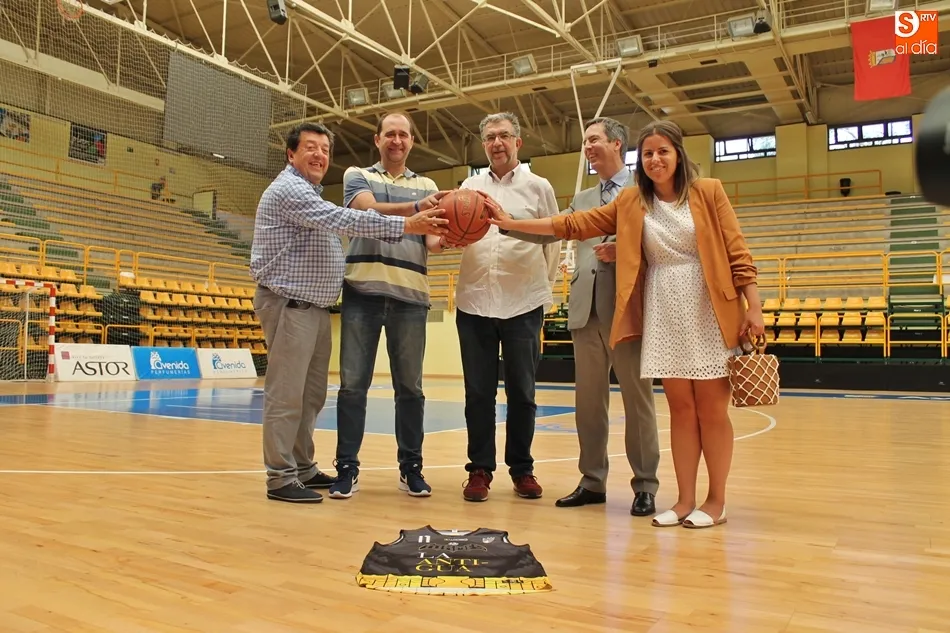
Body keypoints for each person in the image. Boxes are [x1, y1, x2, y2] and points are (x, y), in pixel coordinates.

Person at [483, 120, 766, 528]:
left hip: (708, 309)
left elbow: (738, 253)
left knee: (712, 412)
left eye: (663, 151)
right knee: (682, 412)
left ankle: (715, 501)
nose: (655, 159)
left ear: (678, 154)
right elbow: (572, 225)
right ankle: (685, 500)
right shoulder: (633, 201)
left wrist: (753, 307)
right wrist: (509, 222)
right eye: (648, 153)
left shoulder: (709, 192)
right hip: (664, 311)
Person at [250, 122, 448, 504]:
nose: (319, 155)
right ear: (291, 154)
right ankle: (280, 476)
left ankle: (303, 466)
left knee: (309, 396)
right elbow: (348, 219)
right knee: (286, 394)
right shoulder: (292, 190)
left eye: (324, 149)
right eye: (310, 147)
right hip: (291, 305)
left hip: (314, 308)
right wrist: (408, 221)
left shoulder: (310, 192)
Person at [503, 117, 660, 515]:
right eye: (585, 142)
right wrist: (506, 226)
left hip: (630, 308)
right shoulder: (584, 197)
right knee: (589, 403)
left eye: (594, 140)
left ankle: (645, 485)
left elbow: (662, 238)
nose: (587, 148)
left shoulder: (645, 189)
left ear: (618, 144)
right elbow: (556, 229)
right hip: (585, 308)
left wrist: (626, 247)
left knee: (637, 400)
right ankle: (592, 481)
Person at [442, 112, 560, 502]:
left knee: (522, 392)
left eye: (504, 136)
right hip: (475, 300)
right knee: (478, 393)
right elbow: (455, 233)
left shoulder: (539, 186)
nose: (497, 143)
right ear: (484, 143)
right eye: (490, 137)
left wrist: (544, 288)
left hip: (523, 301)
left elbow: (553, 238)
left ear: (518, 142)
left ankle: (522, 469)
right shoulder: (469, 187)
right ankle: (479, 469)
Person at [330, 112, 447, 500]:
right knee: (352, 387)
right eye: (390, 134)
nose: (397, 140)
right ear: (377, 139)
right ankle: (346, 468)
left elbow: (431, 241)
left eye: (404, 135)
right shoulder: (356, 175)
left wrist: (457, 232)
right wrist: (416, 211)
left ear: (412, 141)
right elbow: (365, 211)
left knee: (410, 389)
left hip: (411, 296)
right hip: (361, 292)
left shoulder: (427, 185)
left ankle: (411, 468)